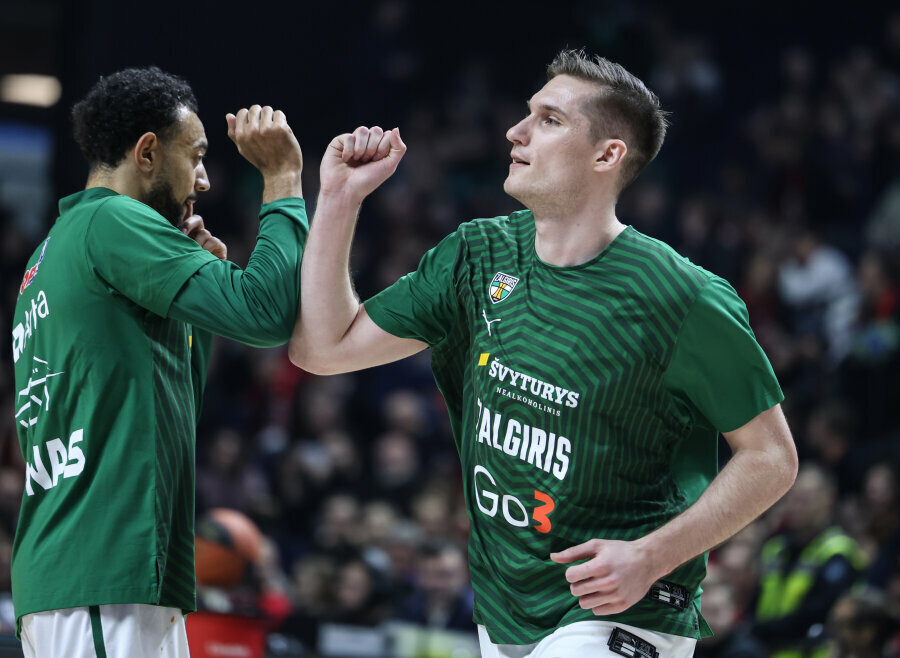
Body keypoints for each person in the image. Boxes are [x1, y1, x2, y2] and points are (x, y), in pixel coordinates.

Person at [291, 49, 798, 657]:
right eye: (527, 113)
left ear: (607, 155)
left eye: (550, 120)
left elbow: (772, 457)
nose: (516, 131)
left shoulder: (682, 297)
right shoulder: (477, 254)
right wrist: (338, 199)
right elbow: (324, 349)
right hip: (503, 605)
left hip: (621, 605)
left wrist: (650, 556)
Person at [10, 66, 306, 657]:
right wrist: (283, 178)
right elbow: (267, 313)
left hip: (98, 572)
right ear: (147, 153)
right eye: (195, 156)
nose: (204, 179)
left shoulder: (57, 246)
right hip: (103, 568)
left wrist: (197, 299)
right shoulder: (113, 220)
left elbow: (175, 404)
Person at [750, 464, 866, 658]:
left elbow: (819, 613)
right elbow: (754, 602)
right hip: (765, 651)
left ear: (828, 499)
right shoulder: (774, 548)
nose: (796, 506)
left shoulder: (839, 552)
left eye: (805, 499)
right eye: (792, 497)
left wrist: (760, 631)